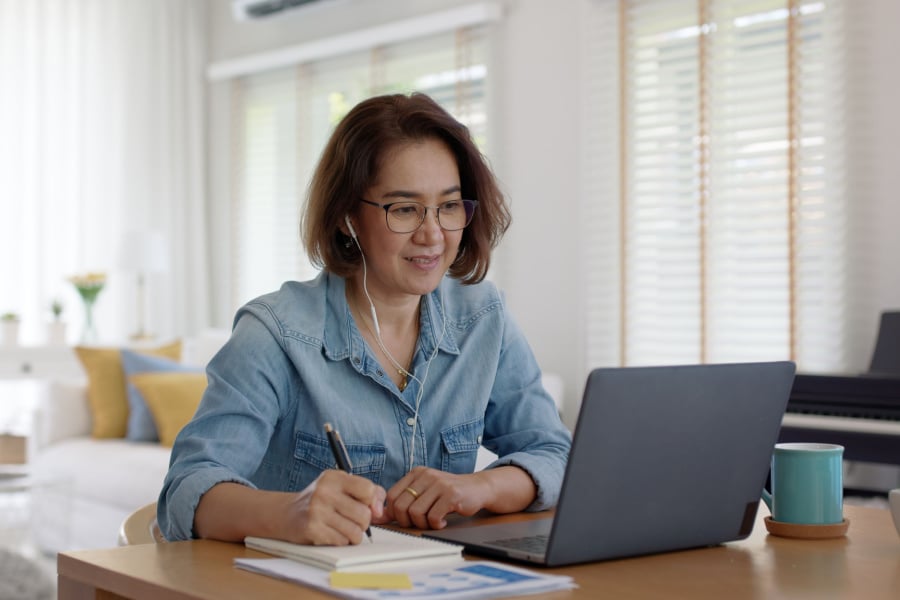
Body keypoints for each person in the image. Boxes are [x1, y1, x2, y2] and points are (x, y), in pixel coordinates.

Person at [157, 92, 571, 546]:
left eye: (449, 206)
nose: (432, 235)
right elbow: (186, 490)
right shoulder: (275, 334)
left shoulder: (483, 318)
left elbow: (553, 452)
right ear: (347, 217)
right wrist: (289, 514)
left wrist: (481, 485)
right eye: (405, 209)